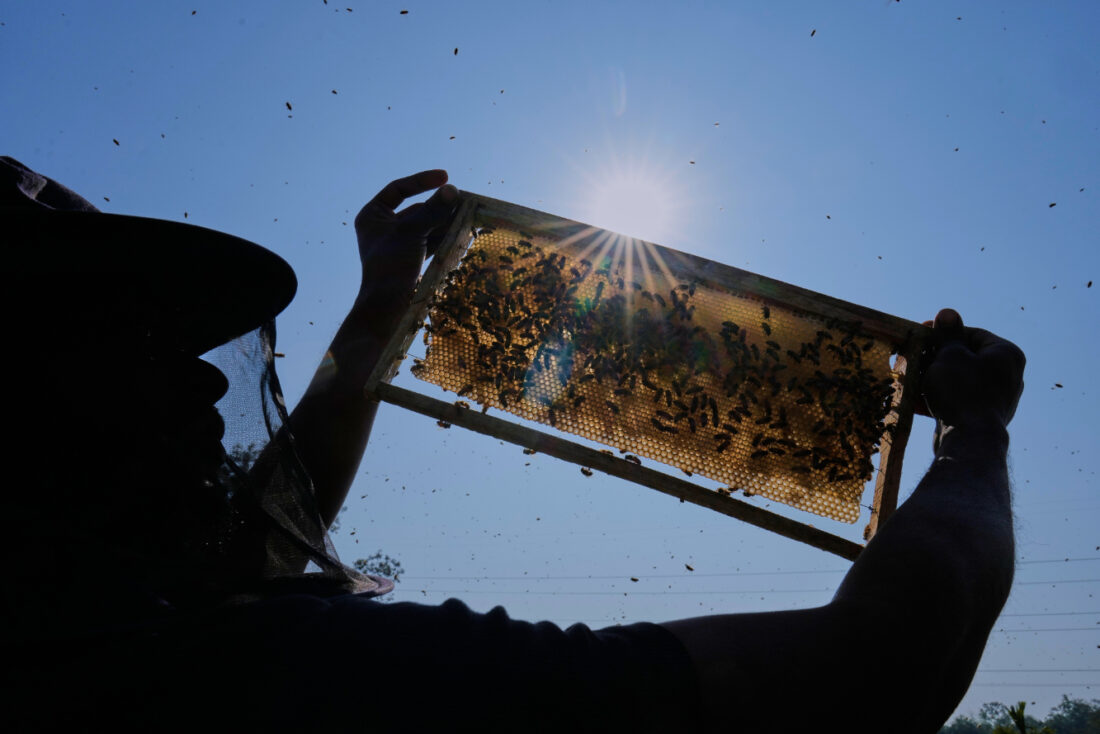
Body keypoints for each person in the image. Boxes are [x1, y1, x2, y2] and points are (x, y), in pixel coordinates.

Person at [1, 157, 1024, 733]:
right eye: (121, 339)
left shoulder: (96, 640)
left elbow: (254, 548)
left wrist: (386, 304)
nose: (203, 379)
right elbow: (872, 671)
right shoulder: (269, 677)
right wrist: (973, 433)